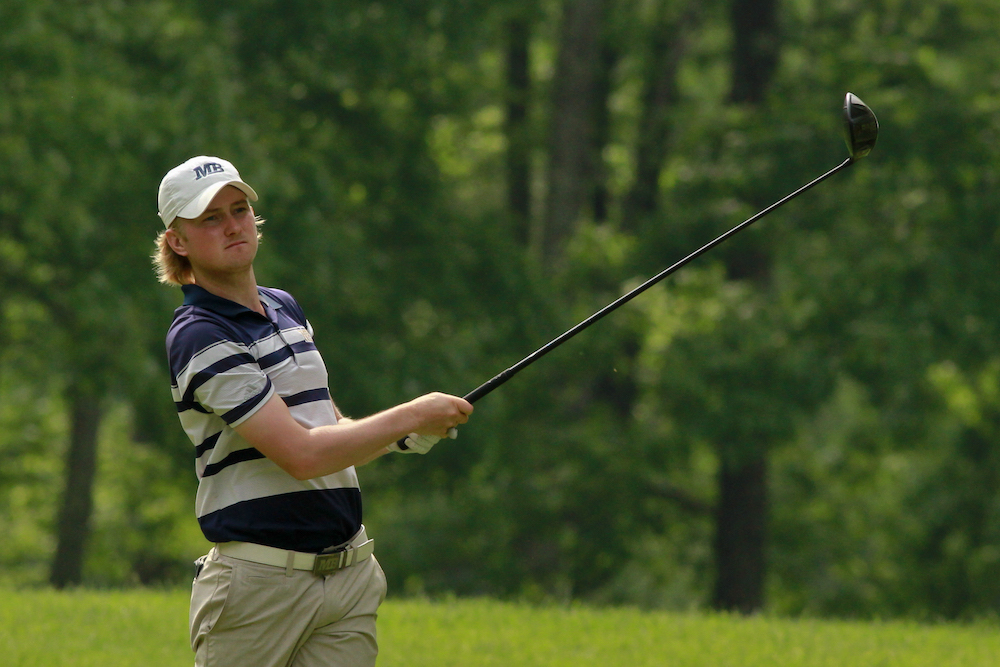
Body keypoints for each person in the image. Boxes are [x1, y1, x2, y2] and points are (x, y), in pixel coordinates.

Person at [153, 155, 472, 667]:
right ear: (178, 241)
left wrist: (401, 437)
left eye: (238, 209)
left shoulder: (283, 306)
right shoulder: (200, 335)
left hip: (347, 576)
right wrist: (411, 415)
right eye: (210, 218)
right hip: (259, 587)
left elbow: (326, 431)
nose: (233, 225)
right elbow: (300, 454)